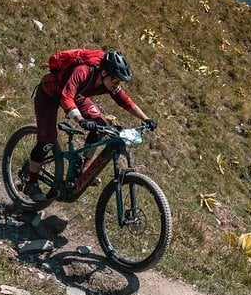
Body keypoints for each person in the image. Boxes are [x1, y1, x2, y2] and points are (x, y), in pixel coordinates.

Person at [24, 49, 156, 200]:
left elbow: (125, 102)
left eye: (118, 81)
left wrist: (146, 119)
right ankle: (31, 183)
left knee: (101, 126)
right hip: (50, 93)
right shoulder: (83, 72)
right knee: (47, 140)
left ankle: (83, 170)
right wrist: (80, 120)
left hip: (76, 95)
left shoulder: (109, 82)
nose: (116, 84)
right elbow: (66, 96)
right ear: (104, 73)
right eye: (115, 80)